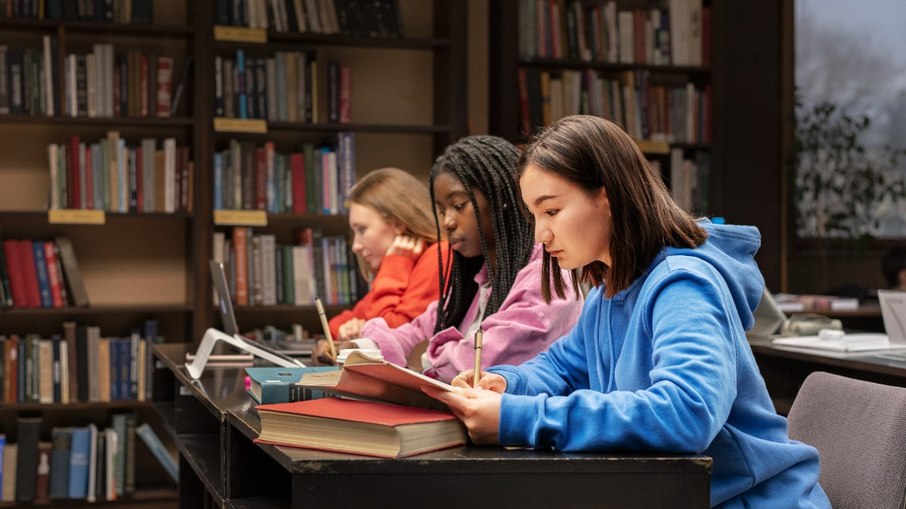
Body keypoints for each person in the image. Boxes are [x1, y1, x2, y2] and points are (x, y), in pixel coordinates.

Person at [425, 116, 830, 508]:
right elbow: (562, 368)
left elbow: (687, 412)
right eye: (533, 216)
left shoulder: (682, 284)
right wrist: (505, 384)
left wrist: (518, 418)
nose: (540, 234)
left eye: (551, 211)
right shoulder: (607, 294)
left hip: (753, 500)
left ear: (608, 196)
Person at [313, 135, 583, 383]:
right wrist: (353, 350)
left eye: (458, 205)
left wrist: (417, 364)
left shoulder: (546, 278)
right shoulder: (479, 278)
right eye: (442, 211)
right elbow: (418, 330)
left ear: (500, 199)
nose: (448, 222)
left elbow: (475, 363)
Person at [326, 167, 448, 341]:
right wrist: (348, 329)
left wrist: (395, 265)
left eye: (362, 229)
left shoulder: (439, 255)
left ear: (397, 224)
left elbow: (391, 337)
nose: (356, 246)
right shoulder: (407, 261)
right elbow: (336, 324)